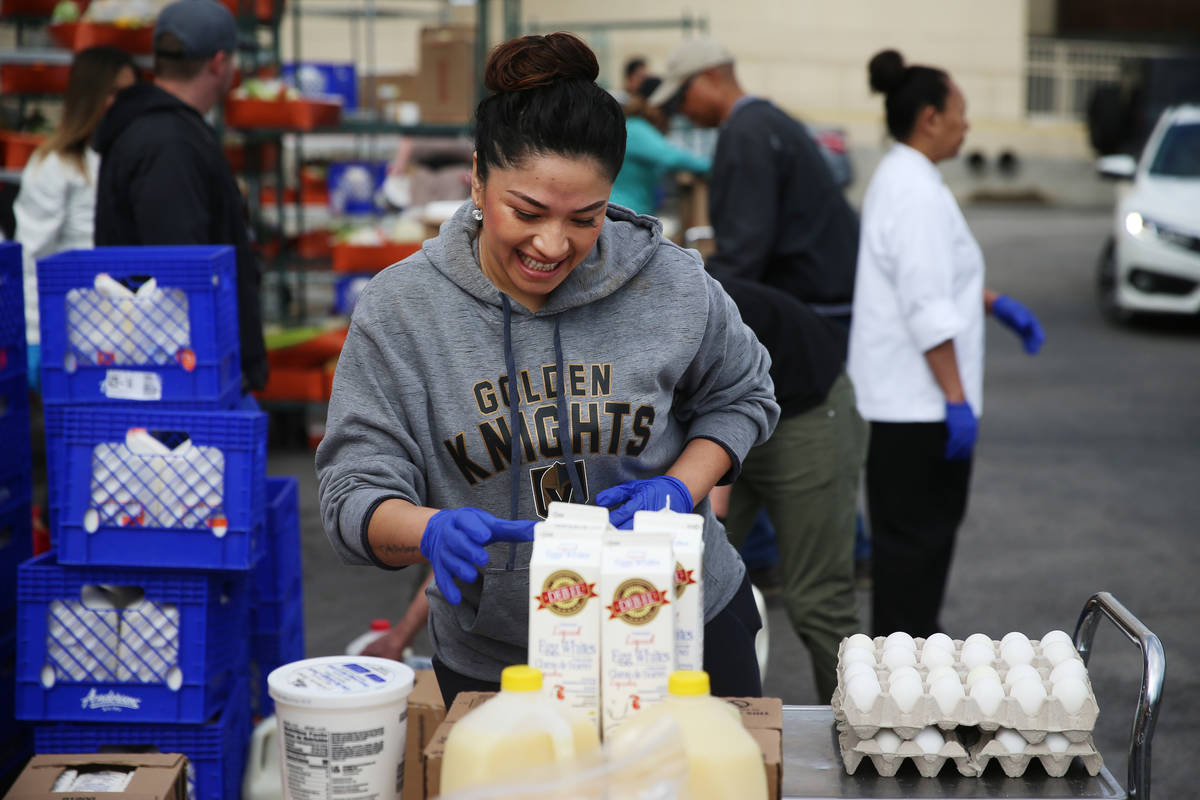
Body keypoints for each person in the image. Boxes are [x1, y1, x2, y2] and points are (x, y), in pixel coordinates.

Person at [316, 32, 778, 709]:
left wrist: (680, 488)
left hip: (682, 630)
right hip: (503, 662)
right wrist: (426, 530)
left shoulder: (671, 281)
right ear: (477, 178)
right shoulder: (403, 309)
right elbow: (352, 488)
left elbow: (743, 396)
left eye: (584, 219)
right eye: (526, 212)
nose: (552, 244)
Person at [649, 37, 865, 703]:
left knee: (816, 598)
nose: (685, 111)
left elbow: (741, 259)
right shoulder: (768, 122)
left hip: (801, 390)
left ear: (712, 79)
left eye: (685, 96)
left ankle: (867, 734)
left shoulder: (745, 132)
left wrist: (711, 474)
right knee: (681, 578)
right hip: (774, 348)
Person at [848, 49, 1045, 638]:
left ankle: (898, 693)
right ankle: (901, 710)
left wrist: (990, 302)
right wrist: (956, 398)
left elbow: (925, 279)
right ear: (930, 117)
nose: (967, 124)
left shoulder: (902, 176)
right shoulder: (917, 194)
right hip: (920, 409)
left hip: (902, 404)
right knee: (914, 566)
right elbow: (926, 305)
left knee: (908, 561)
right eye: (960, 111)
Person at [92, 0, 267, 392]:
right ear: (219, 63)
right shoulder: (170, 142)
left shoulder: (157, 129)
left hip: (167, 365)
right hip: (182, 375)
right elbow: (180, 269)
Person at [14, 46, 138, 385]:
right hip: (63, 338)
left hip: (118, 332)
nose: (123, 103)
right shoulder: (55, 164)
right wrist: (37, 339)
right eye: (114, 92)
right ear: (90, 96)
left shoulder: (127, 156)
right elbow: (29, 258)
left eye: (130, 93)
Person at [610, 75, 710, 216]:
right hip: (624, 213)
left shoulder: (632, 126)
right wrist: (711, 166)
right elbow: (670, 157)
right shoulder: (637, 129)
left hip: (628, 211)